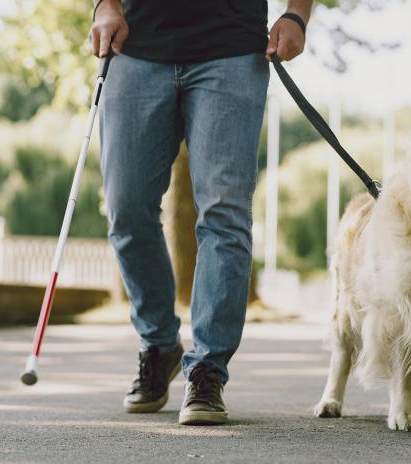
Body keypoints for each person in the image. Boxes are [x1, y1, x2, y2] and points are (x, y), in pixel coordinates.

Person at [89, 0, 312, 425]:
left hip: (231, 50)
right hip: (136, 49)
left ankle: (208, 368)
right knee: (127, 209)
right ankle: (159, 345)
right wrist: (105, 6)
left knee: (224, 215)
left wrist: (297, 14)